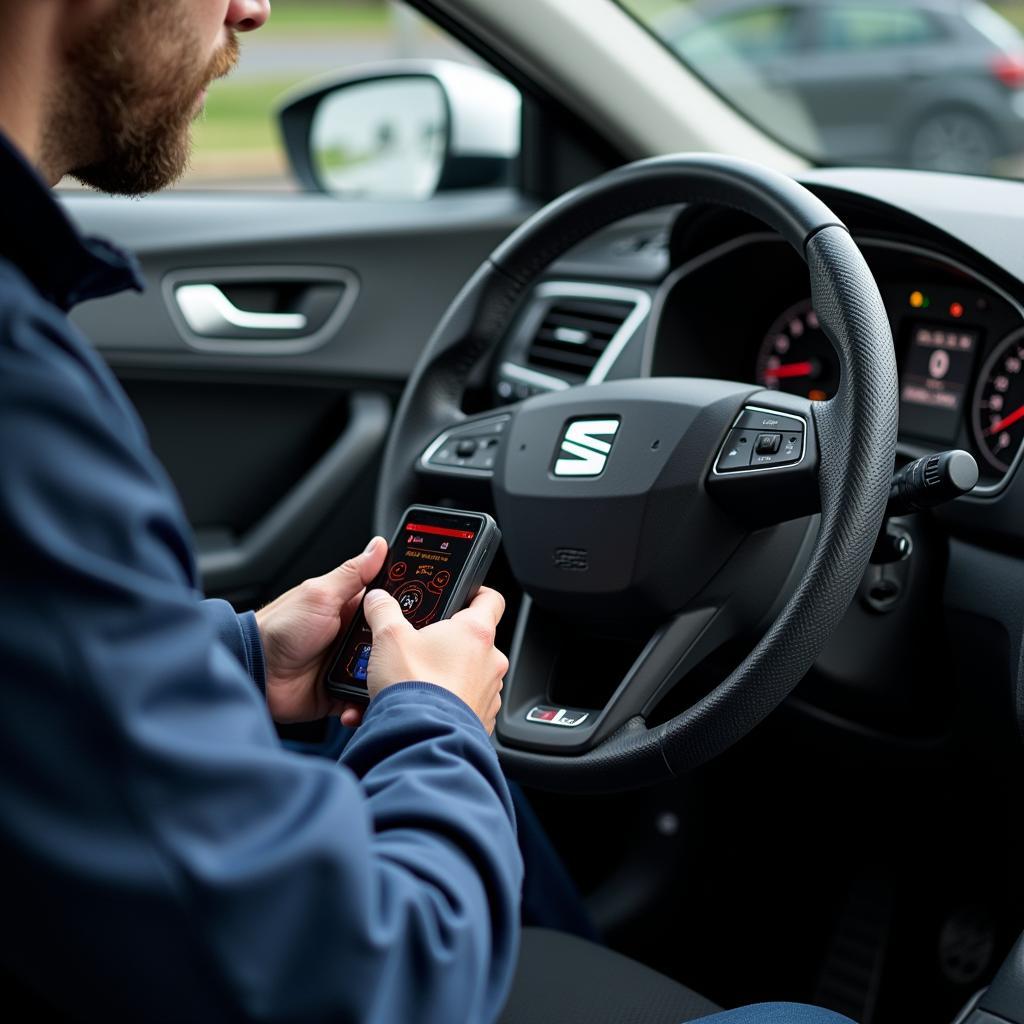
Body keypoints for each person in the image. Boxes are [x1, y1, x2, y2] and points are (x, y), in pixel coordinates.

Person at [0, 2, 855, 1022]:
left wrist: (241, 653)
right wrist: (438, 718)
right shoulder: (23, 401)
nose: (252, 8)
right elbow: (376, 980)